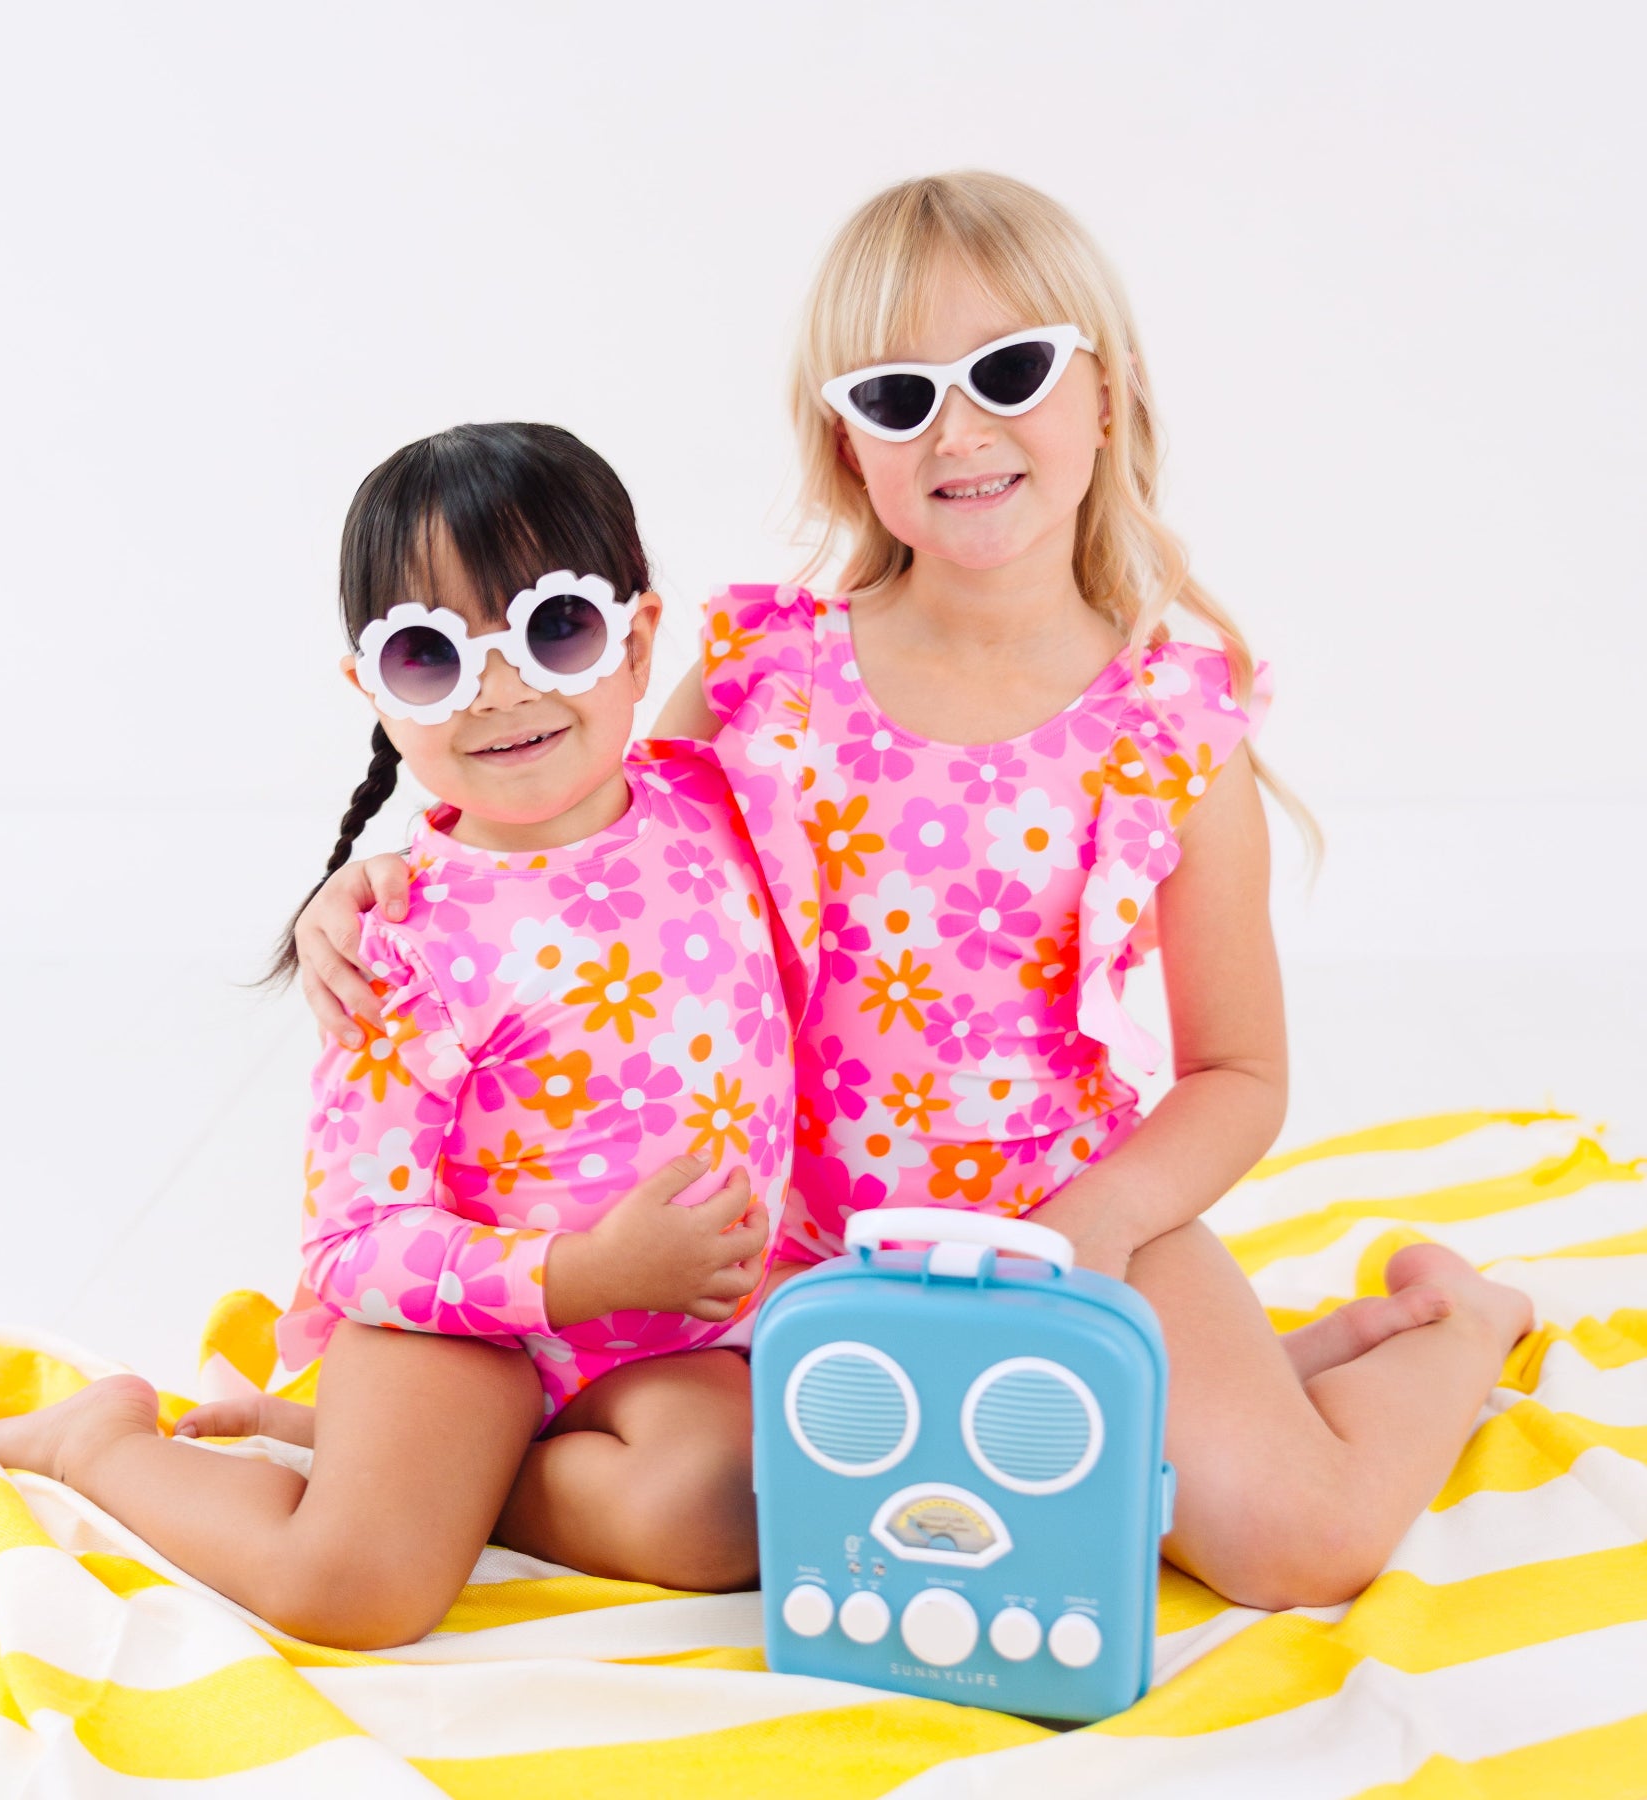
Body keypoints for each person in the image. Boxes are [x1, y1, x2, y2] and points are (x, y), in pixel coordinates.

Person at [292, 175, 1532, 1614]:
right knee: (820, 1515)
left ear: (1108, 396)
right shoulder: (771, 679)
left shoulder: (1171, 733)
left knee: (1293, 1544)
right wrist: (381, 872)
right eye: (898, 395)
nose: (959, 429)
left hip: (1062, 1216)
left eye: (1009, 373)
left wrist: (1104, 1226)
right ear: (848, 442)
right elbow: (580, 835)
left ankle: (1452, 1322)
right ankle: (427, 1477)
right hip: (795, 1259)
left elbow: (1242, 1072)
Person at [0, 423, 800, 1648]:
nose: (506, 691)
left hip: (665, 1332)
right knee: (356, 1594)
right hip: (460, 1329)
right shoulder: (406, 937)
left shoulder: (718, 799)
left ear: (635, 639)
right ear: (374, 688)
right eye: (433, 656)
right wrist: (575, 1278)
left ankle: (401, 1470)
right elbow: (357, 1243)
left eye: (554, 630)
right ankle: (103, 1444)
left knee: (723, 1519)